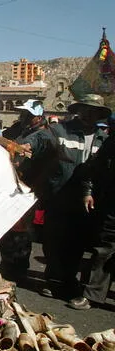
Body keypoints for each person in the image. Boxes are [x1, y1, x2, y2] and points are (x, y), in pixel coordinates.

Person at [19, 94, 111, 298]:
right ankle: (52, 280)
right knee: (54, 242)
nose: (89, 114)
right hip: (59, 196)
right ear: (78, 110)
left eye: (94, 111)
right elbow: (42, 137)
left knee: (77, 244)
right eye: (86, 109)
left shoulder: (104, 139)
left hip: (87, 201)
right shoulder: (61, 130)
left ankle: (69, 280)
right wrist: (29, 145)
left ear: (99, 114)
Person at [0, 100, 47, 280]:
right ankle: (7, 263)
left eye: (28, 115)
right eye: (23, 114)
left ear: (38, 117)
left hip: (27, 190)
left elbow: (30, 145)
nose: (23, 117)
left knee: (21, 232)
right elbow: (1, 138)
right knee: (6, 229)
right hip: (11, 187)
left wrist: (23, 149)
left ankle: (19, 269)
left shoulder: (42, 135)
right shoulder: (19, 130)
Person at [70, 126, 115, 309]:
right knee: (105, 250)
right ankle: (92, 294)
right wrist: (88, 191)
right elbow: (93, 168)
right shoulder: (111, 142)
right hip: (113, 204)